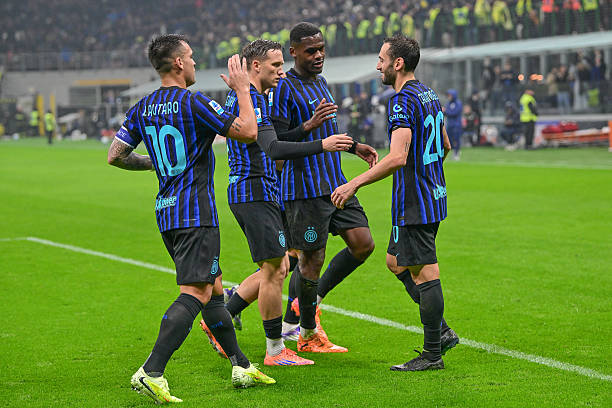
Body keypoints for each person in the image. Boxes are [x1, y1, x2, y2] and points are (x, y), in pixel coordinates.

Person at [107, 34, 274, 404]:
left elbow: (115, 155)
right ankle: (151, 371)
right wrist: (243, 89)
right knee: (196, 292)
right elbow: (248, 132)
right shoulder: (194, 101)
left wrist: (157, 164)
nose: (196, 62)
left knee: (214, 290)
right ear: (179, 63)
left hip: (167, 212)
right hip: (195, 213)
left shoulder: (142, 107)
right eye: (192, 56)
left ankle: (241, 365)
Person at [205, 39, 354, 366]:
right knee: (276, 268)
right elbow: (273, 149)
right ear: (256, 66)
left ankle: (225, 315)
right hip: (254, 191)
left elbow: (273, 140)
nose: (281, 71)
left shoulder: (249, 96)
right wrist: (322, 143)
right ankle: (274, 350)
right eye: (275, 65)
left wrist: (308, 127)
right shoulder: (252, 99)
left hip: (262, 191)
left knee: (281, 264)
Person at [331, 34, 458, 372]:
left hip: (415, 202)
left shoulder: (401, 100)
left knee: (425, 272)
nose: (378, 66)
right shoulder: (429, 94)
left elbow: (398, 157)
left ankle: (433, 352)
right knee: (396, 262)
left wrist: (354, 183)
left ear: (397, 63)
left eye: (382, 59)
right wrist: (430, 175)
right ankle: (441, 331)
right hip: (431, 195)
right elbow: (445, 145)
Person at [269, 22, 378, 353]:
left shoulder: (321, 82)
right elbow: (276, 142)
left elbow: (327, 133)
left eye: (321, 49)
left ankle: (311, 301)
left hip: (334, 183)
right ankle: (306, 333)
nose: (318, 55)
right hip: (304, 189)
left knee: (363, 244)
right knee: (311, 261)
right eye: (310, 51)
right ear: (293, 52)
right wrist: (308, 125)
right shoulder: (283, 88)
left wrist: (354, 146)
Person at [444, 89, 463, 160]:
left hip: (456, 125)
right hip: (449, 124)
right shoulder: (448, 103)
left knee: (456, 139)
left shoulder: (458, 103)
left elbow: (454, 113)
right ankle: (452, 152)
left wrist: (445, 111)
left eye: (450, 95)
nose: (448, 97)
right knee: (449, 139)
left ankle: (457, 152)